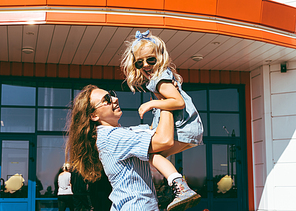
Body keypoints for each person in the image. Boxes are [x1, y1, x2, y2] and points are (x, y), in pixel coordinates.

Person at [65, 84, 199, 211]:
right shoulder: (111, 137)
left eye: (111, 94)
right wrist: (166, 101)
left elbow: (158, 135)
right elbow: (164, 140)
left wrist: (164, 98)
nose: (115, 99)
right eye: (106, 99)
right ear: (94, 116)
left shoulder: (123, 133)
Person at [121, 30, 204, 210]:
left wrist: (151, 105)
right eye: (140, 62)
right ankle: (169, 188)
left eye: (150, 59)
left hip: (184, 128)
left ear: (160, 57)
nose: (146, 65)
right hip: (187, 129)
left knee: (153, 155)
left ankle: (181, 188)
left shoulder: (159, 78)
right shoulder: (160, 77)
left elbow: (178, 102)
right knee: (156, 158)